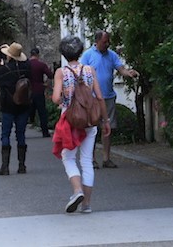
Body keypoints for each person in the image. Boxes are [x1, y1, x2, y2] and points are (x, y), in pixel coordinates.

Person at [51, 35, 109, 214]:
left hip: (70, 121)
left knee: (68, 157)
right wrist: (105, 120)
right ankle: (87, 205)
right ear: (80, 51)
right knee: (87, 161)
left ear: (63, 53)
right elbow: (99, 97)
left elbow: (55, 99)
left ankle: (77, 191)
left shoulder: (61, 72)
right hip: (90, 120)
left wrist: (63, 99)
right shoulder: (90, 70)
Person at [80, 30, 138, 168]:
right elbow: (81, 74)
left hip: (108, 97)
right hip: (93, 99)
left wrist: (129, 73)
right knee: (92, 129)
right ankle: (92, 159)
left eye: (108, 41)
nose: (107, 44)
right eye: (105, 42)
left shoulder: (111, 55)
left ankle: (106, 158)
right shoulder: (88, 55)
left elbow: (121, 69)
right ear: (97, 41)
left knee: (108, 128)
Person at [0, 42, 33, 175]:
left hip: (7, 105)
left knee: (5, 134)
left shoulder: (4, 70)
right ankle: (22, 165)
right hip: (23, 105)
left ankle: (5, 166)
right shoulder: (27, 68)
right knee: (21, 134)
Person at [28, 47, 54, 137]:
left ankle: (21, 131)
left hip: (28, 90)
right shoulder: (41, 65)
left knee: (27, 111)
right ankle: (45, 132)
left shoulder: (26, 64)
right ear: (38, 55)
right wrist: (45, 83)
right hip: (39, 89)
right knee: (42, 112)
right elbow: (50, 75)